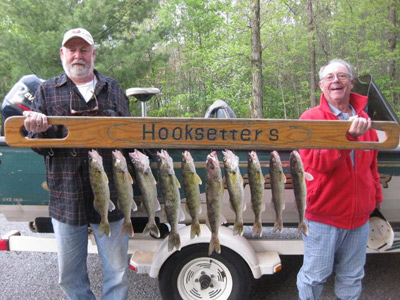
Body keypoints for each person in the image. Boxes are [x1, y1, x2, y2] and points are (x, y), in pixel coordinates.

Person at [23, 28, 131, 300]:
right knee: (69, 276)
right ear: (63, 54)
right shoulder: (46, 91)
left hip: (112, 198)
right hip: (66, 197)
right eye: (72, 50)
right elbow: (37, 146)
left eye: (84, 50)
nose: (78, 56)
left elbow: (129, 139)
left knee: (117, 273)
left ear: (93, 54)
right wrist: (37, 129)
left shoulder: (113, 88)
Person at [296, 58, 383, 300]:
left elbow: (371, 166)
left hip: (359, 218)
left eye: (342, 76)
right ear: (321, 86)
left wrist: (375, 199)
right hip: (323, 216)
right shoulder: (310, 119)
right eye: (330, 77)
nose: (336, 80)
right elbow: (315, 166)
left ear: (351, 83)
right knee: (314, 276)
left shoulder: (366, 120)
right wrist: (347, 139)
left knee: (352, 277)